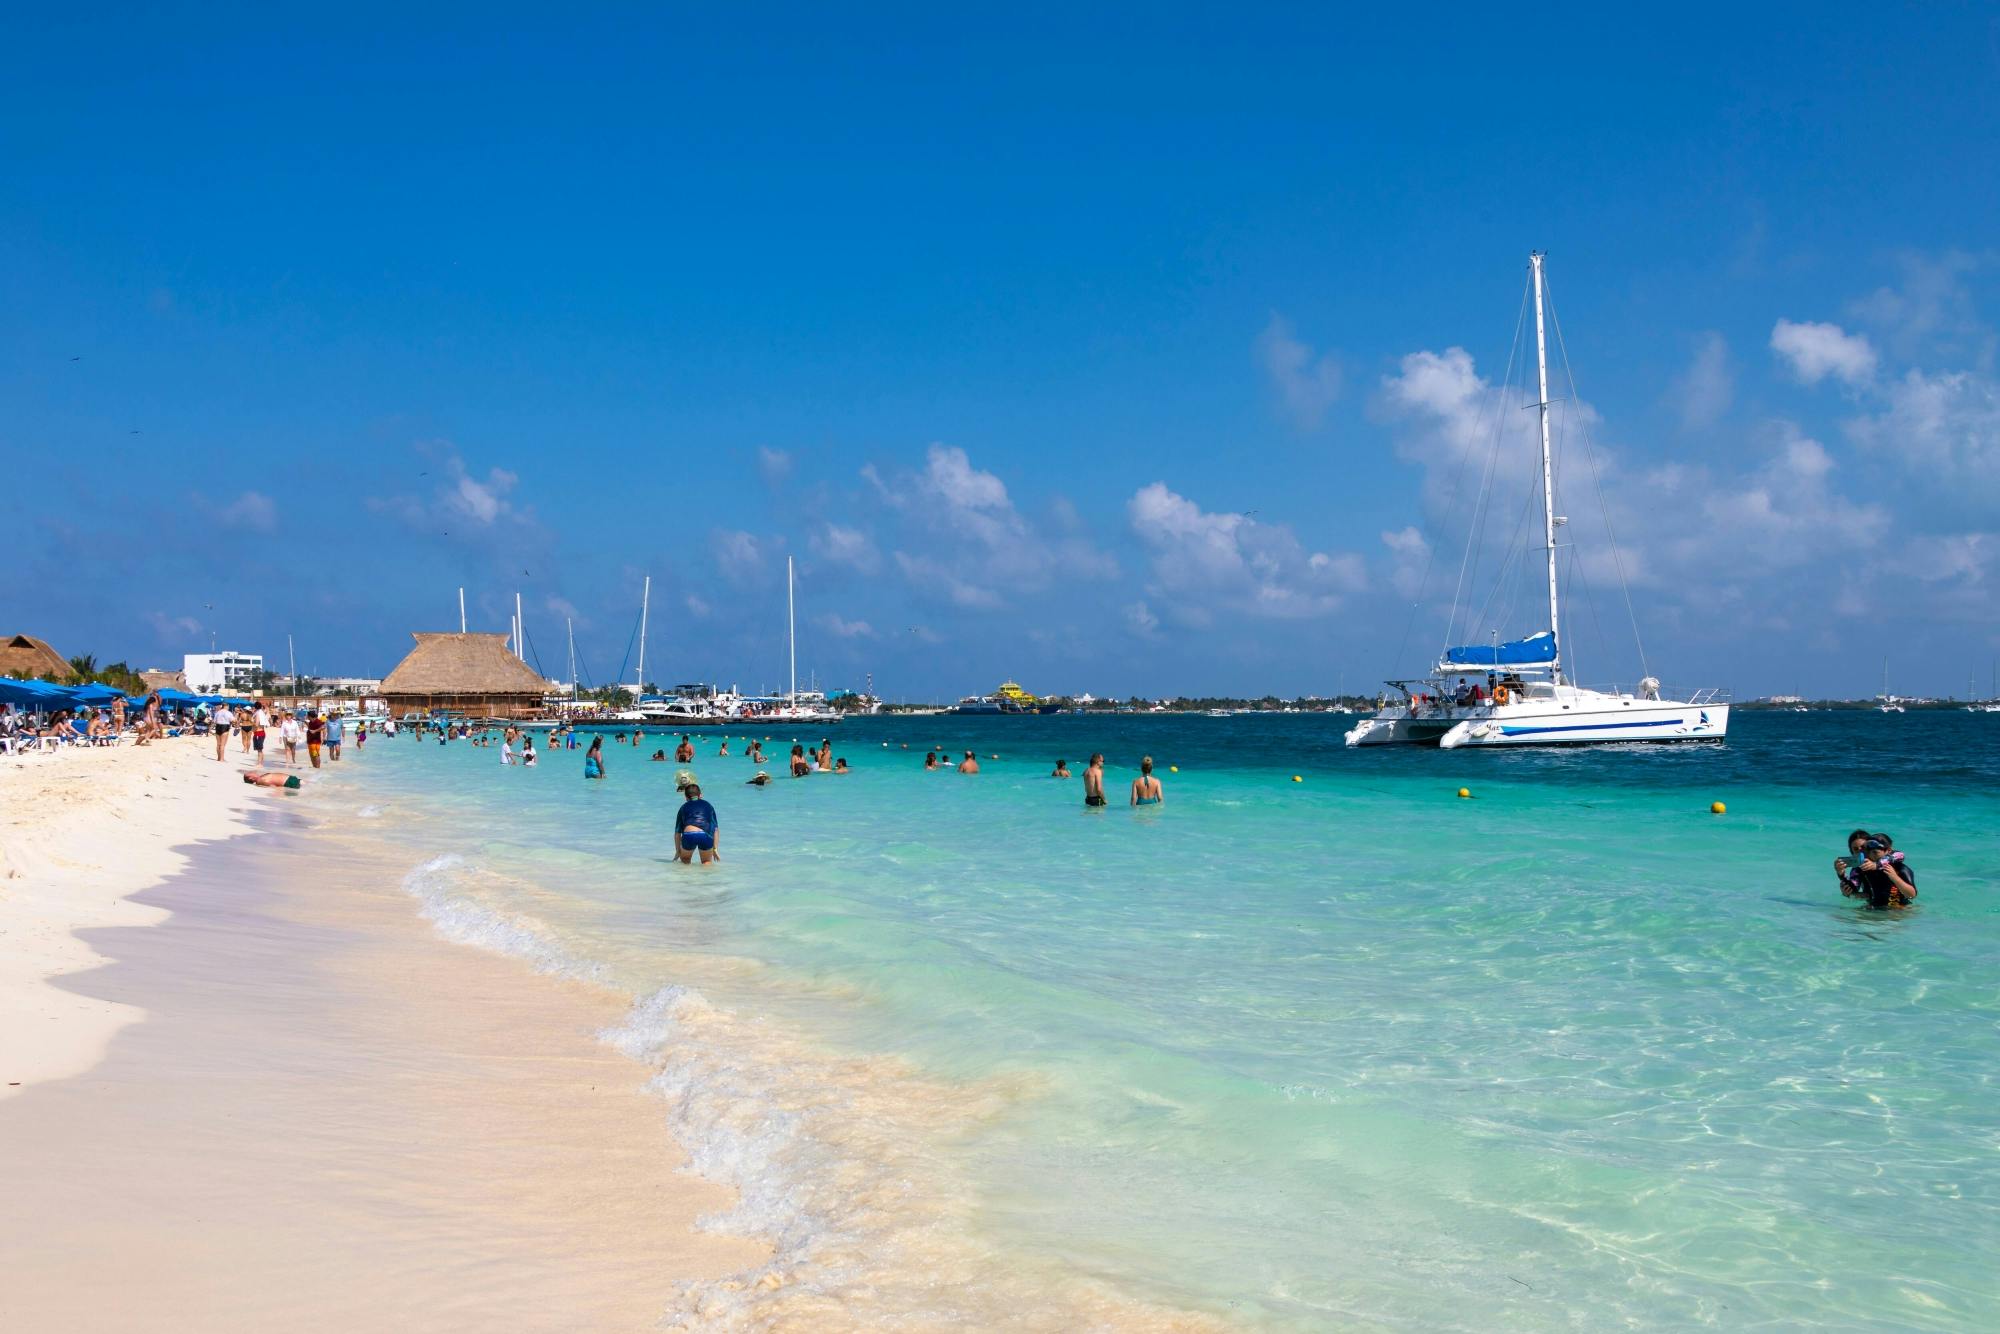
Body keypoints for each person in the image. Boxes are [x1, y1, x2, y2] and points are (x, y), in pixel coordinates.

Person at [674, 783, 720, 865]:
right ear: (701, 795)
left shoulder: (683, 807)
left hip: (690, 833)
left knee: (685, 861)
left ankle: (687, 877)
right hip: (706, 835)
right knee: (706, 862)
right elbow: (715, 829)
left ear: (686, 798)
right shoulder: (709, 806)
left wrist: (678, 851)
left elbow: (677, 833)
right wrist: (715, 849)